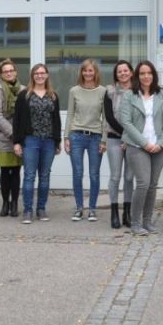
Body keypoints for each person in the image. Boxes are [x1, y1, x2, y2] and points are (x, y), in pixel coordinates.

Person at [119, 60, 163, 236]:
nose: (146, 76)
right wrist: (145, 143)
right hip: (137, 145)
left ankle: (147, 221)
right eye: (142, 73)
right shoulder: (129, 95)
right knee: (143, 183)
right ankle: (135, 223)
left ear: (154, 75)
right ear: (137, 76)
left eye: (149, 73)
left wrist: (161, 143)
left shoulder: (162, 94)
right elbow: (126, 122)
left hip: (158, 146)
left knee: (152, 184)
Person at [13, 63, 62, 224]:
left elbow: (56, 120)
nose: (40, 76)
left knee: (45, 176)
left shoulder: (53, 95)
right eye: (36, 73)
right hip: (30, 140)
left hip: (48, 141)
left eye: (42, 73)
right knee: (29, 175)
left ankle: (41, 209)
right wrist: (17, 142)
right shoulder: (24, 95)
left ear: (47, 75)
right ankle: (28, 210)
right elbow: (17, 120)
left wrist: (57, 141)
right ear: (32, 76)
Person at [65, 59, 107, 222]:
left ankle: (92, 209)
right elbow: (70, 114)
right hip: (76, 136)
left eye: (91, 70)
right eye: (85, 70)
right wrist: (66, 137)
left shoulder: (103, 91)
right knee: (77, 173)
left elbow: (105, 118)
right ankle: (79, 208)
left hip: (96, 137)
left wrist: (104, 139)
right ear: (81, 72)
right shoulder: (74, 91)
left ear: (95, 72)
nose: (88, 73)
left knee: (94, 174)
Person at [0, 59, 24, 217]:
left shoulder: (23, 90)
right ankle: (5, 203)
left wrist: (19, 136)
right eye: (5, 71)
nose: (9, 73)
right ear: (1, 75)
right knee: (5, 171)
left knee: (16, 171)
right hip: (3, 137)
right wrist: (12, 133)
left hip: (19, 138)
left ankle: (15, 203)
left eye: (11, 70)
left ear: (15, 72)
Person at [104, 60, 135, 229]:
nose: (123, 73)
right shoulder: (110, 92)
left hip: (133, 140)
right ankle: (114, 212)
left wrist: (129, 137)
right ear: (116, 75)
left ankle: (127, 213)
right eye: (119, 71)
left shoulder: (137, 92)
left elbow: (140, 117)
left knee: (129, 177)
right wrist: (125, 135)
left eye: (125, 70)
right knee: (115, 176)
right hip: (114, 138)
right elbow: (109, 117)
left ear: (131, 72)